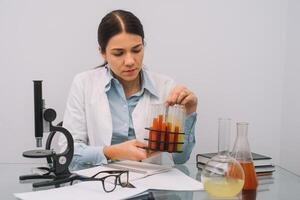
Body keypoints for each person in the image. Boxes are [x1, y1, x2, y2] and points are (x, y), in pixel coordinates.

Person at [60, 9, 198, 170]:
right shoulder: (84, 83)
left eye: (137, 50)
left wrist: (189, 112)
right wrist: (112, 152)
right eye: (119, 53)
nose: (130, 61)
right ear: (102, 53)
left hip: (150, 188)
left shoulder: (165, 87)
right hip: (100, 187)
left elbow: (180, 159)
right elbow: (68, 153)